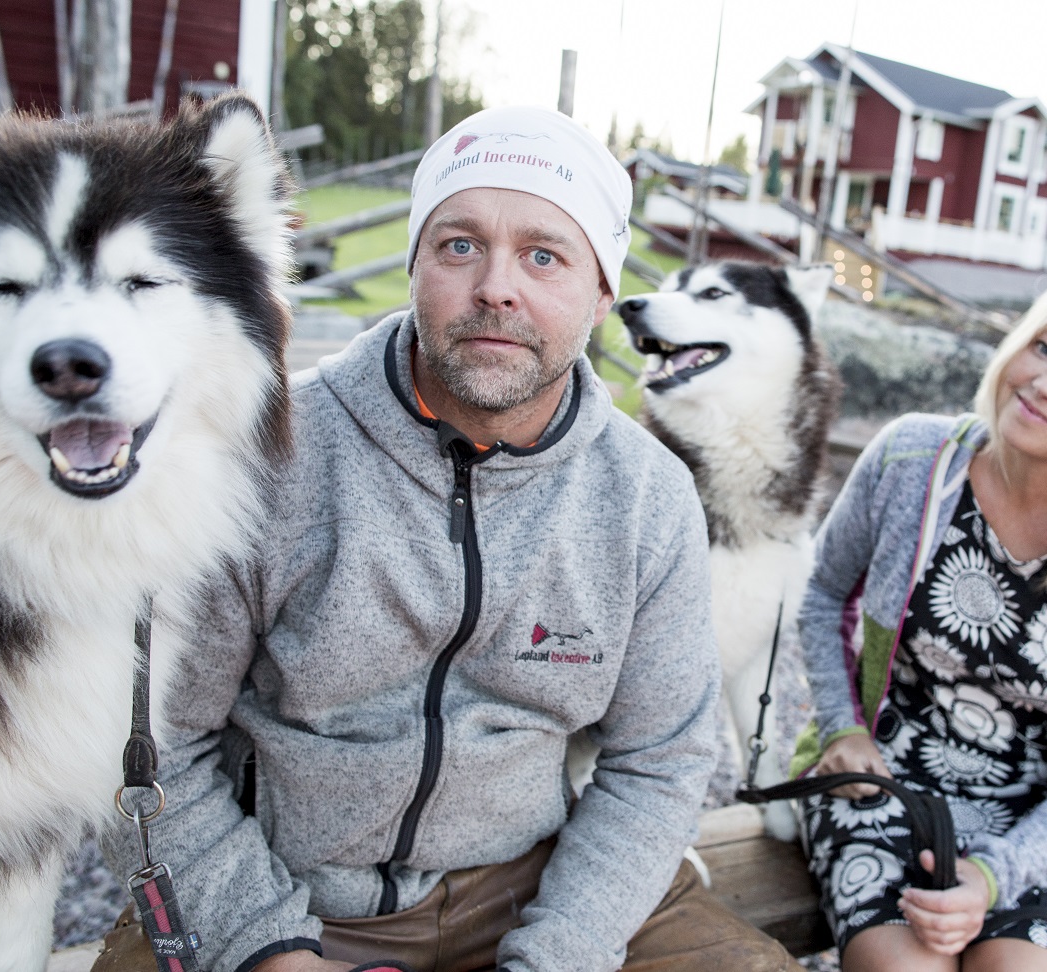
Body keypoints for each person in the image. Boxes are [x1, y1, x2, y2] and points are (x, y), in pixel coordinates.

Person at [95, 105, 793, 972]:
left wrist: (559, 954)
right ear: (417, 264)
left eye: (545, 255)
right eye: (460, 245)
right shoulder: (264, 455)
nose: (497, 286)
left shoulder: (646, 498)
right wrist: (269, 951)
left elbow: (659, 763)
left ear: (604, 290)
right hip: (289, 890)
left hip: (529, 885)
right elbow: (149, 755)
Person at [794, 266, 1047, 972]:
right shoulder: (910, 460)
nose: (1045, 385)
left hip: (1045, 823)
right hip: (886, 783)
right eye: (1044, 349)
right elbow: (824, 594)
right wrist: (842, 725)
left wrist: (993, 877)